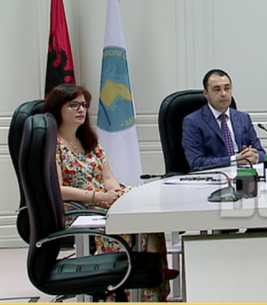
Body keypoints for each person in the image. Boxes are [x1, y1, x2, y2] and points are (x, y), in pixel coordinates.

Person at [43, 83, 174, 302]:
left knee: (148, 209)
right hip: (77, 208)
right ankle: (129, 285)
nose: (81, 110)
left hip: (102, 200)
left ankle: (151, 279)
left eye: (84, 105)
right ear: (57, 108)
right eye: (74, 105)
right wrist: (101, 197)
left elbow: (108, 178)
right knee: (130, 223)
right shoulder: (52, 145)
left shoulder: (89, 141)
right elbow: (57, 190)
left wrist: (117, 194)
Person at [182, 69, 265, 170]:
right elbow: (197, 163)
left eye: (227, 88)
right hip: (215, 176)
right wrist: (235, 160)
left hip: (245, 174)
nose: (224, 93)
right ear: (206, 93)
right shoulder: (193, 122)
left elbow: (262, 153)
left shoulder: (243, 118)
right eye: (217, 89)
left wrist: (254, 157)